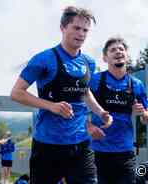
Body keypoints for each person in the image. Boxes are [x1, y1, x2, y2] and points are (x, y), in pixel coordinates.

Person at [11, 6, 112, 184]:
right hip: (48, 145)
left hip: (80, 144)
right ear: (63, 28)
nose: (81, 34)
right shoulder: (43, 59)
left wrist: (101, 112)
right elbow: (17, 93)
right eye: (76, 28)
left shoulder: (89, 62)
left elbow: (85, 92)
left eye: (85, 30)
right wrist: (52, 106)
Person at [87, 37, 148, 184]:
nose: (118, 52)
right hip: (97, 151)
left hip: (125, 152)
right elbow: (77, 109)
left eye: (121, 49)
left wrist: (142, 113)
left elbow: (147, 117)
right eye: (113, 50)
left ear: (127, 56)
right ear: (105, 57)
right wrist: (89, 126)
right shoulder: (95, 80)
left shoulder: (136, 84)